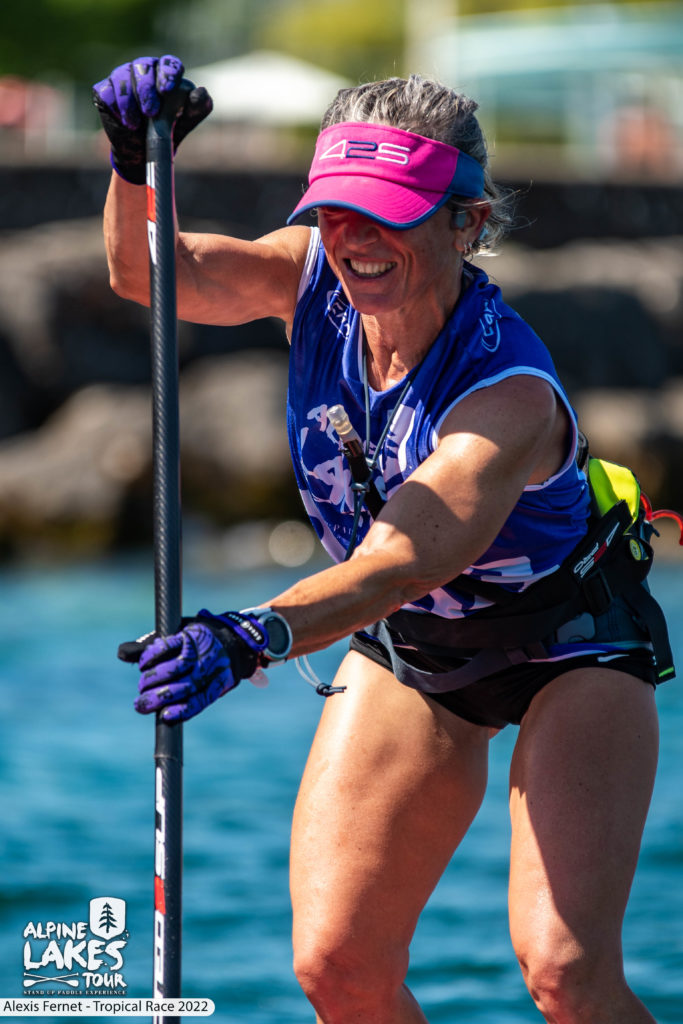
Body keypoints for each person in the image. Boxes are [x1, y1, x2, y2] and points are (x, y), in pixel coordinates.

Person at [94, 56, 674, 1024]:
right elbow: (149, 273)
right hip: (417, 647)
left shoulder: (508, 394)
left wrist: (249, 636)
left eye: (388, 214)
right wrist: (129, 163)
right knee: (336, 965)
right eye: (335, 210)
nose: (354, 239)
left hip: (567, 644)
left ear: (465, 222)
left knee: (563, 973)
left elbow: (405, 559)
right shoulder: (308, 275)